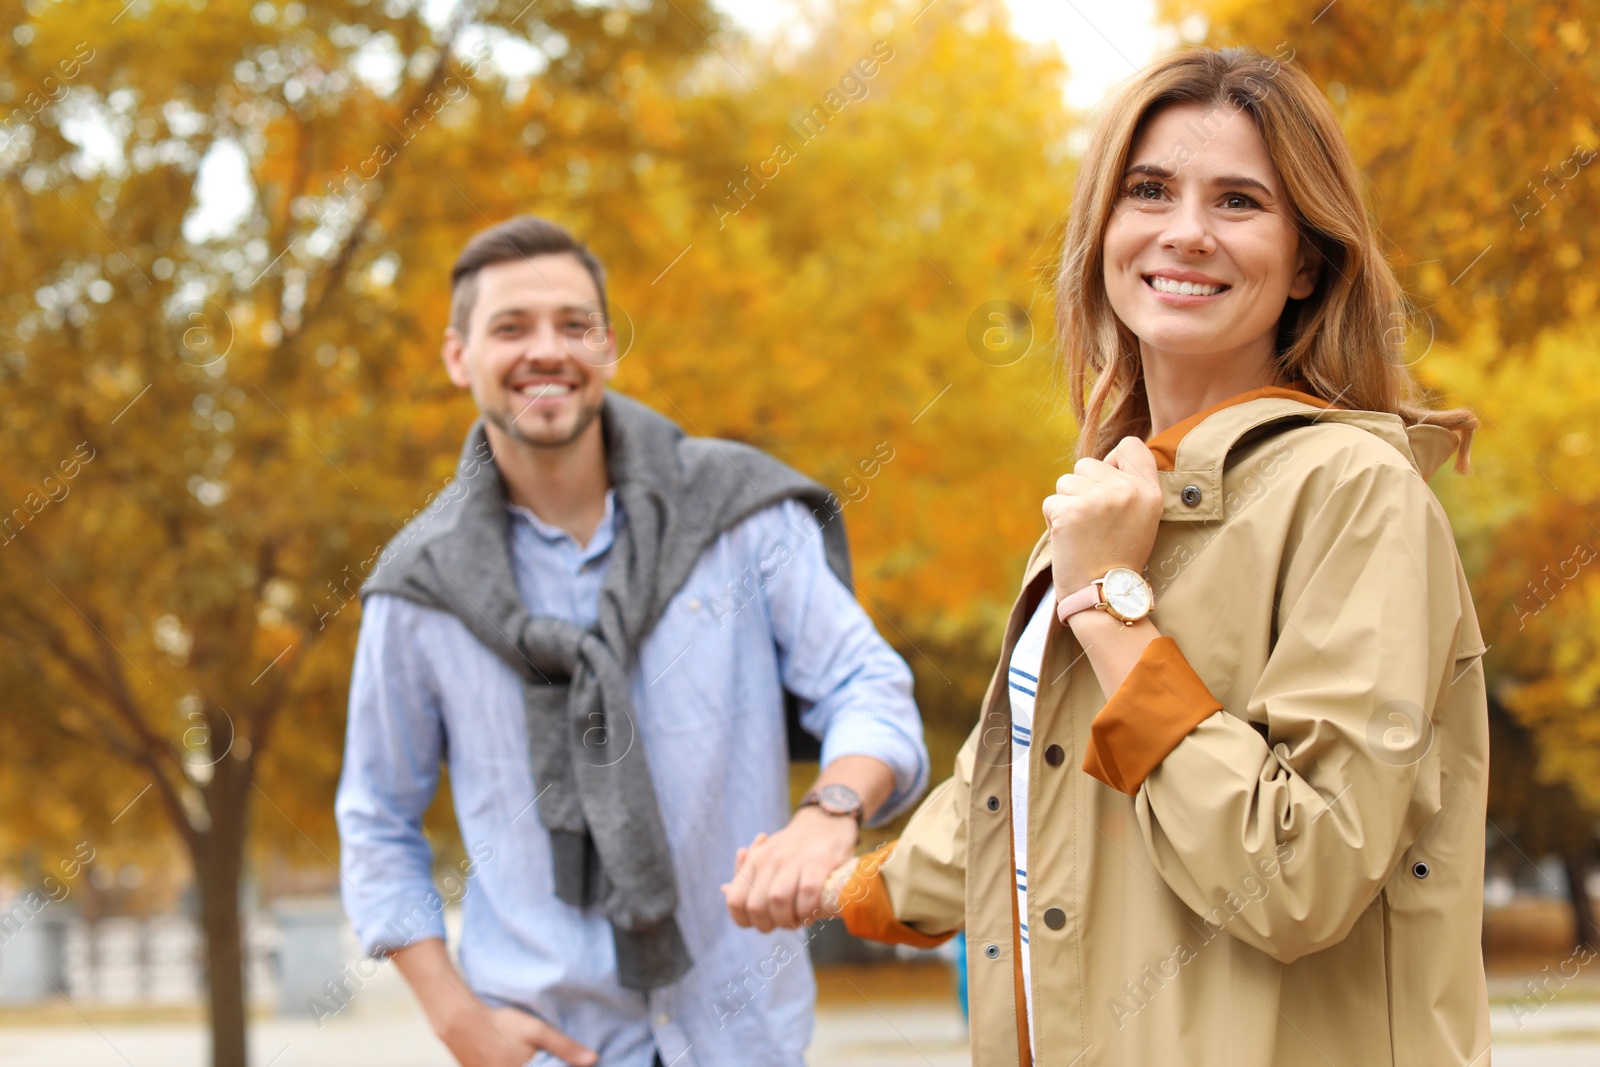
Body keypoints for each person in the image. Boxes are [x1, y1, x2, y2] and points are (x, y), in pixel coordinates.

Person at [728, 47, 1491, 1066]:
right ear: (1102, 231)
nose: (1184, 230)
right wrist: (839, 877)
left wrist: (1110, 607)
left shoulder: (1351, 492)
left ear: (1306, 259)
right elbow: (1025, 793)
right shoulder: (1109, 498)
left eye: (1237, 201)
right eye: (1148, 190)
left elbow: (1302, 870)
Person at [335, 215, 929, 1067]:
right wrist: (461, 1025)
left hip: (745, 1040)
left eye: (574, 325)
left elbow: (867, 686)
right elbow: (377, 822)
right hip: (547, 1048)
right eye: (511, 327)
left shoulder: (742, 517)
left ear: (607, 346)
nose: (548, 350)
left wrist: (829, 811)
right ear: (458, 356)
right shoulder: (417, 590)